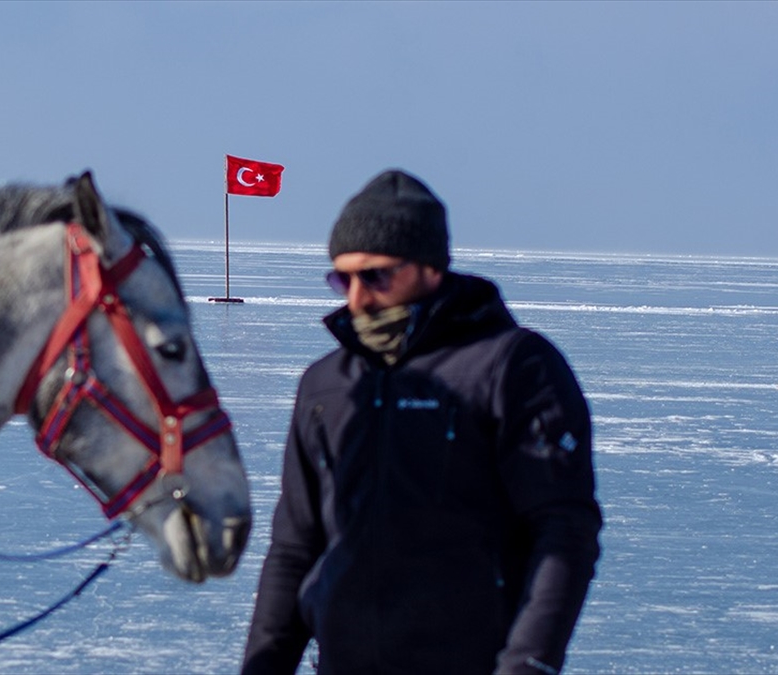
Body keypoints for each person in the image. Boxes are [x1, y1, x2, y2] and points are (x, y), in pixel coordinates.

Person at [241, 170, 602, 675]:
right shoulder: (326, 385)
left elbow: (564, 529)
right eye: (342, 278)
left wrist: (530, 665)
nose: (357, 298)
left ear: (430, 267)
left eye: (377, 276)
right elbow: (295, 547)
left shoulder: (512, 367)